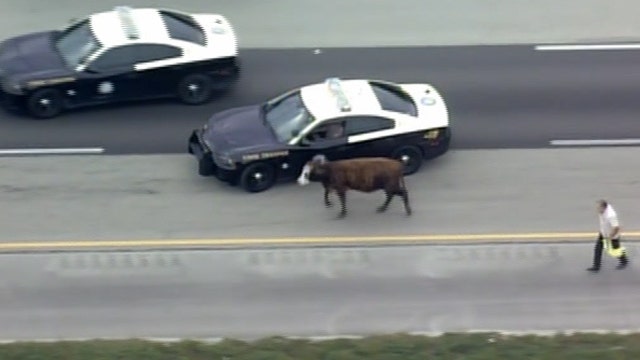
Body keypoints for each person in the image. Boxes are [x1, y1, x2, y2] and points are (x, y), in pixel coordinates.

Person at [587, 199, 629, 272]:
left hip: (612, 236)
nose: (597, 209)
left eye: (598, 208)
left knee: (616, 250)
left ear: (603, 207)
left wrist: (610, 237)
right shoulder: (602, 211)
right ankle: (596, 266)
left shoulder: (611, 215)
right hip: (603, 233)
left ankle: (624, 261)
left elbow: (616, 228)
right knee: (598, 249)